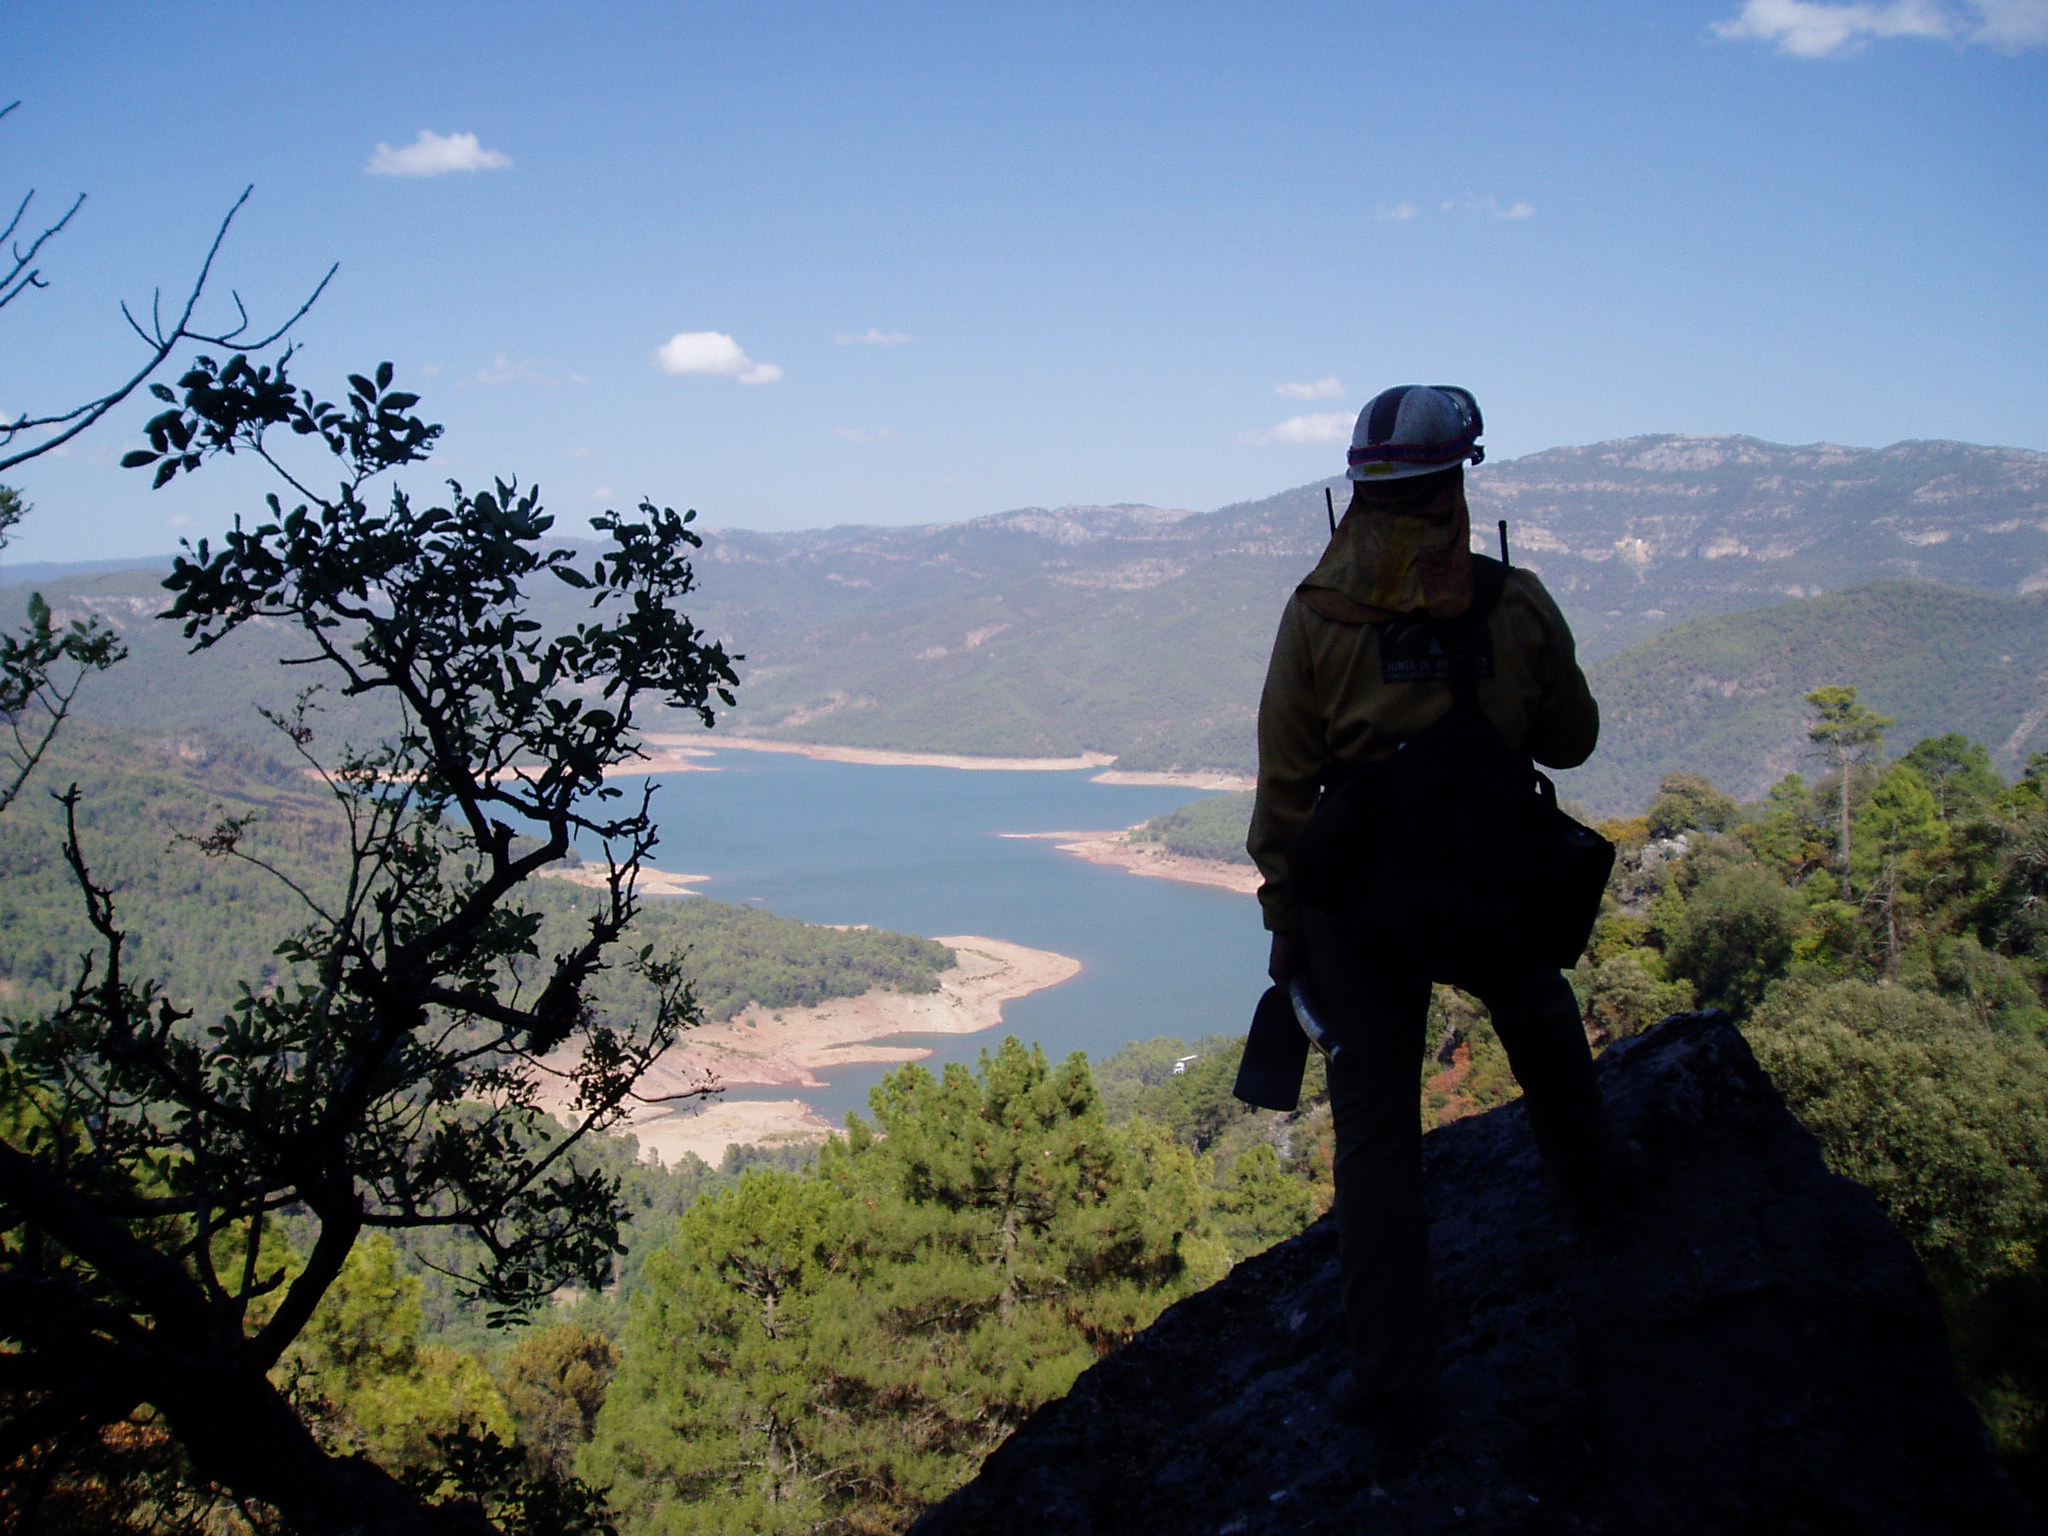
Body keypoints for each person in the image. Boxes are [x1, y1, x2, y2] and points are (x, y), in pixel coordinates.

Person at [1246, 383, 1615, 1449]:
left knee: (1372, 1138)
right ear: (1457, 484)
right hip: (1490, 884)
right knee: (1539, 1015)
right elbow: (1571, 742)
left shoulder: (1316, 615)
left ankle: (1391, 1377)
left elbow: (1284, 785)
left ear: (1357, 494)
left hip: (1361, 908)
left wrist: (1285, 914)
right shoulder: (1515, 601)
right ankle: (1604, 1208)